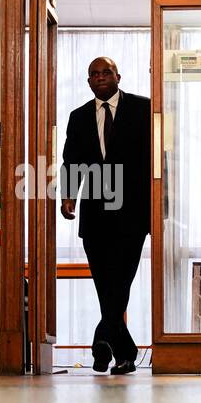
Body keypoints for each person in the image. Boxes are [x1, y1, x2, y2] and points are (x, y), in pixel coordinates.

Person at [59, 56, 151, 375]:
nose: (100, 77)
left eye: (106, 72)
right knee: (105, 285)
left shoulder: (143, 109)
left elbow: (158, 160)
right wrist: (68, 196)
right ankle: (123, 352)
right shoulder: (79, 117)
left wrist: (162, 202)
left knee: (120, 283)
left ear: (118, 76)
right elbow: (71, 161)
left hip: (133, 214)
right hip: (95, 214)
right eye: (94, 74)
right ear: (88, 82)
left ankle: (104, 343)